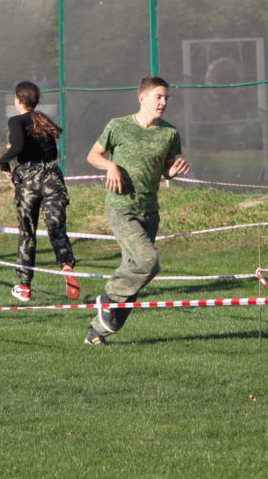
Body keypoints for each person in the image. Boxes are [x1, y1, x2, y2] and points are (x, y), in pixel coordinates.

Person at [83, 76, 190, 346]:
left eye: (167, 97)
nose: (163, 102)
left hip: (149, 210)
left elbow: (165, 169)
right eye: (158, 97)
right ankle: (108, 298)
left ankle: (99, 330)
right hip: (121, 207)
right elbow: (93, 155)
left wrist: (171, 173)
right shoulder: (118, 126)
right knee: (147, 262)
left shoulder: (169, 133)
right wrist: (110, 166)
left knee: (134, 271)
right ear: (142, 98)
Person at [0, 81, 79, 302]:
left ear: (19, 100)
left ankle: (24, 286)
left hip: (29, 178)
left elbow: (18, 148)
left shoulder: (16, 120)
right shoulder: (43, 119)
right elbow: (51, 151)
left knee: (28, 233)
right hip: (53, 175)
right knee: (57, 228)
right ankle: (65, 265)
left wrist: (3, 163)